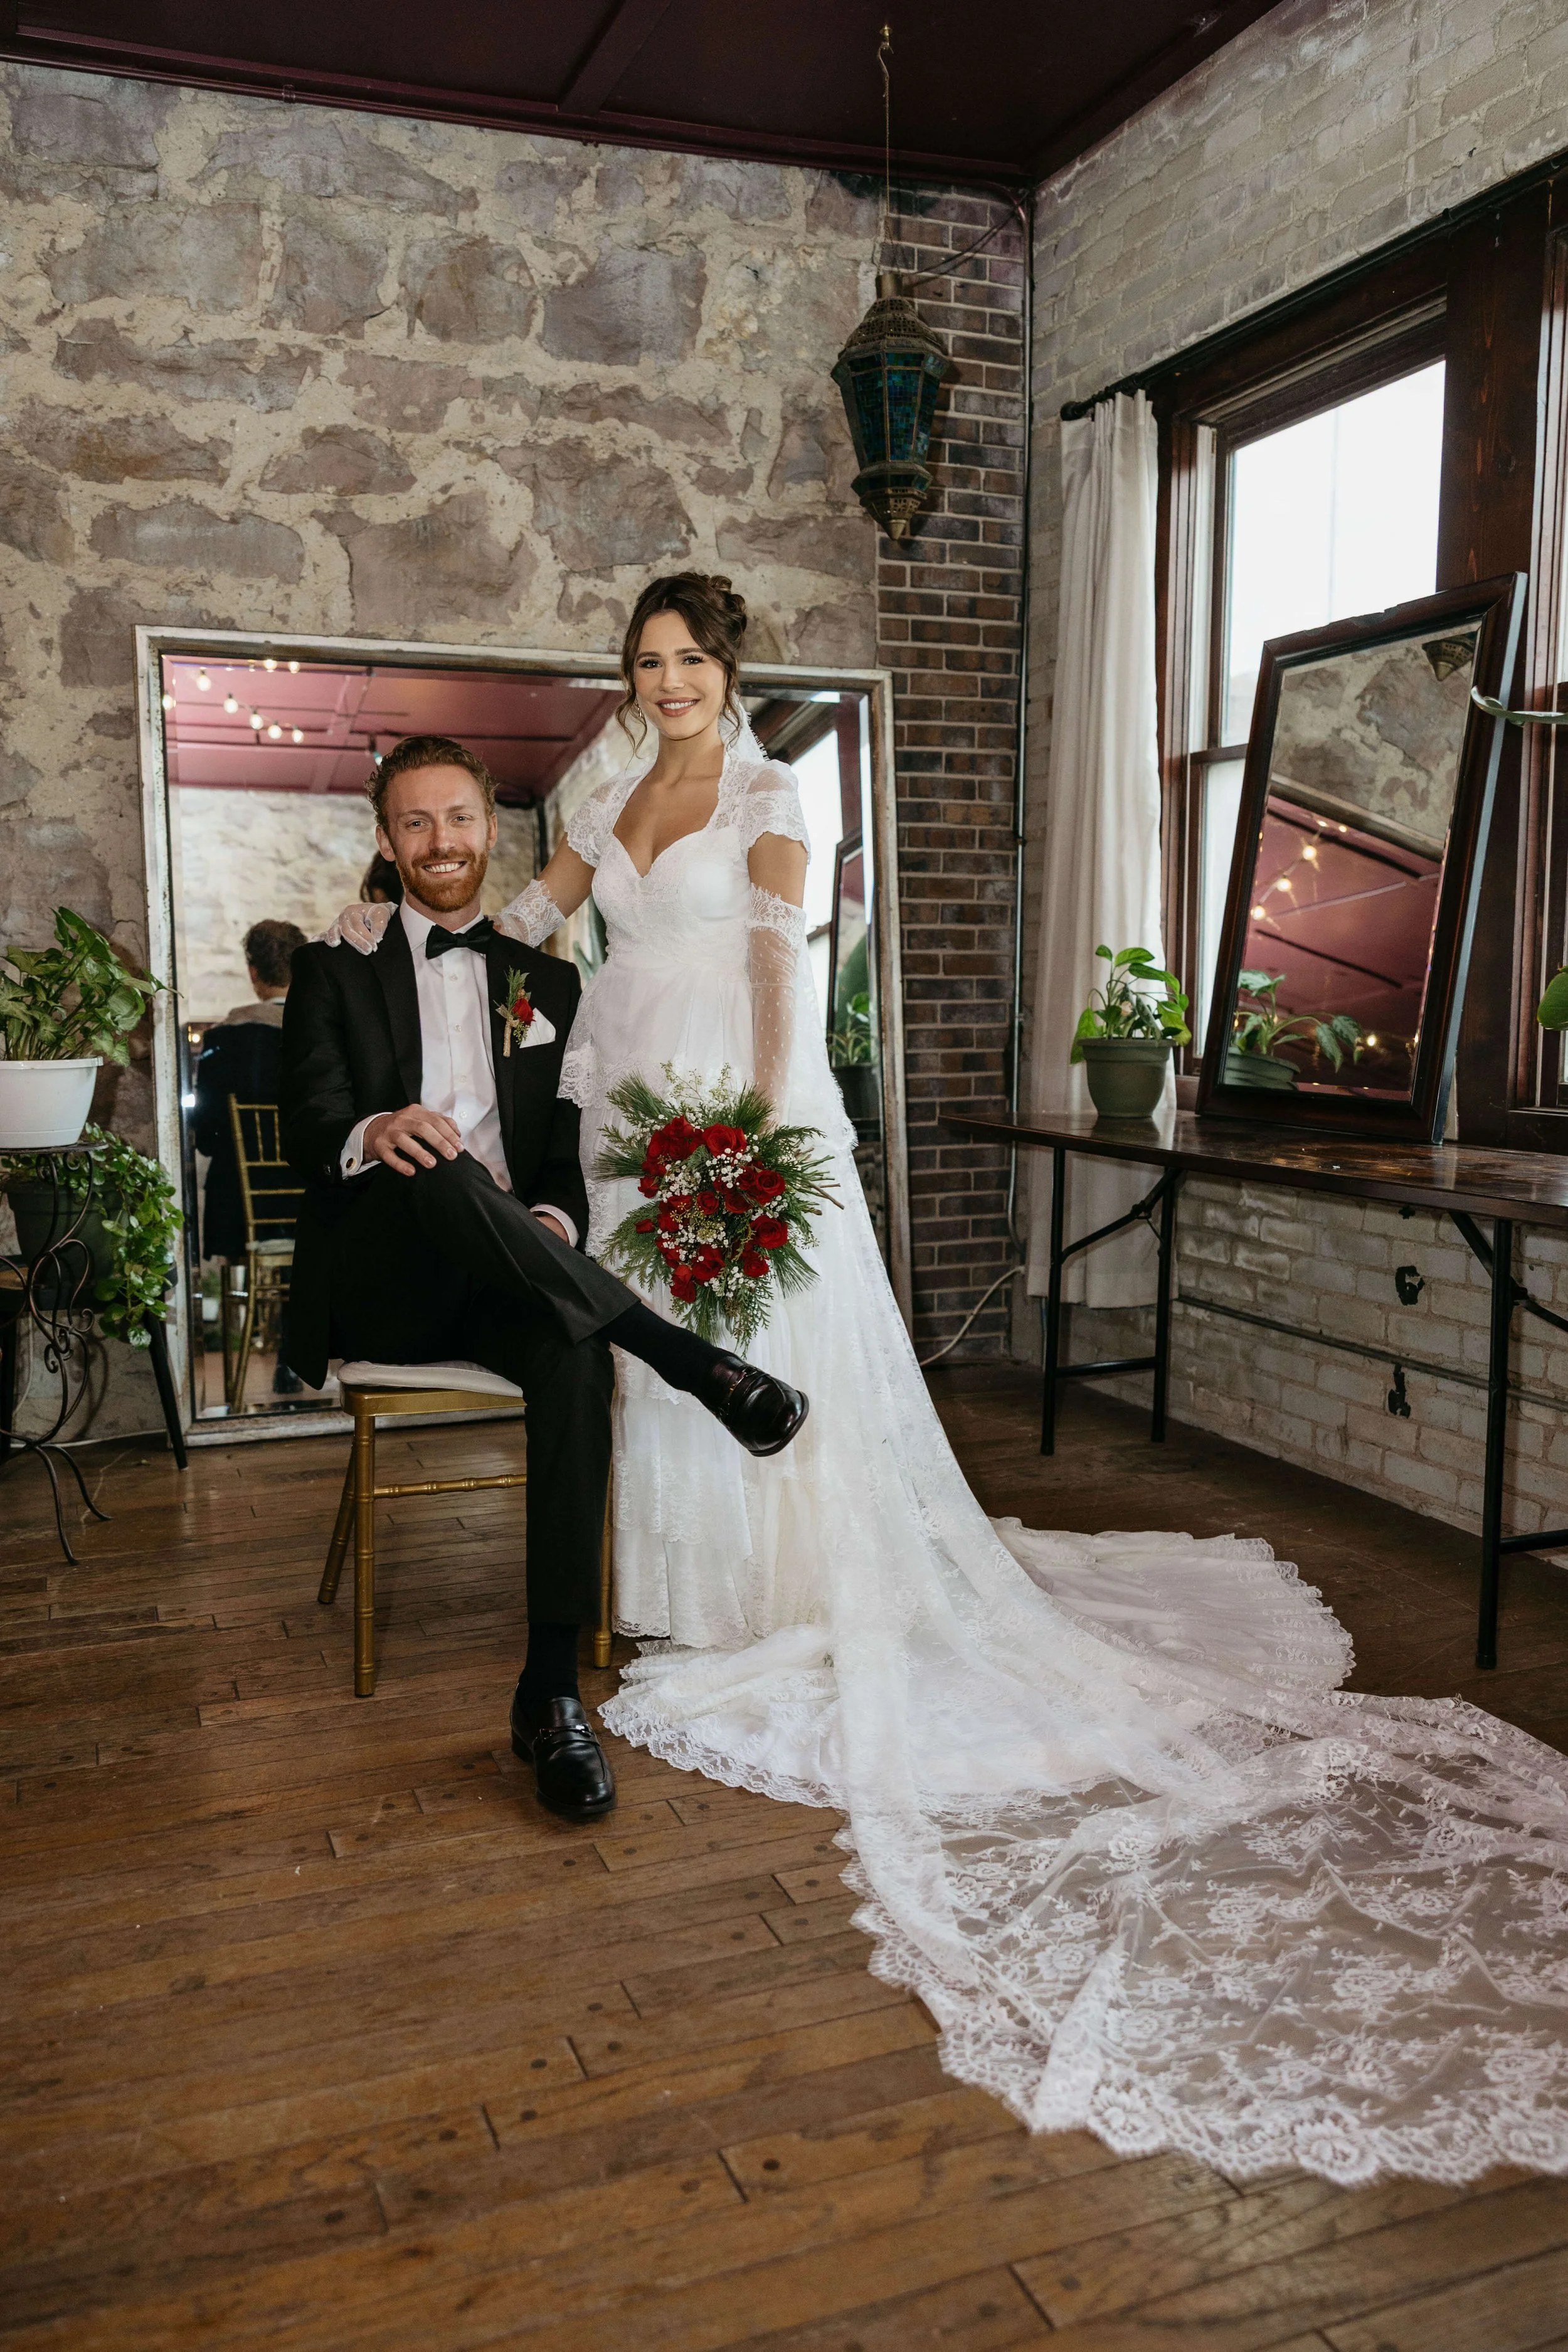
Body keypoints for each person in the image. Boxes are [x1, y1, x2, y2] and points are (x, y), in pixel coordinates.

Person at [326, 573, 1568, 2191]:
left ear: (731, 667)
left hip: (727, 1097)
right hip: (619, 1108)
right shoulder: (605, 786)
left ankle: (787, 1579)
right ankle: (674, 1577)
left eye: (691, 657)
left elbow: (783, 964)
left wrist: (762, 1131)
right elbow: (523, 921)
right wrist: (379, 919)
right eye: (647, 662)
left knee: (762, 1333)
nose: (670, 680)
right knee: (628, 1349)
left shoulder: (775, 790)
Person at [280, 731, 806, 1826]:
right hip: (389, 1271)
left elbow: (562, 1150)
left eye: (459, 819)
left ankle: (550, 1691)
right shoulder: (337, 961)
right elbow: (309, 1125)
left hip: (512, 1271)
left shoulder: (549, 981)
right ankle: (688, 1360)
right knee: (434, 1161)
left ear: (490, 830)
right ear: (386, 841)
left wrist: (558, 1217)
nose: (440, 842)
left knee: (572, 1357)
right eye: (415, 822)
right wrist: (379, 1126)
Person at [193, 918, 307, 1395]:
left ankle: (234, 1379)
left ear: (252, 973)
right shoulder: (319, 1035)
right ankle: (296, 1354)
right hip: (310, 1207)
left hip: (242, 1209)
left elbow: (204, 1138)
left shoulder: (223, 1040)